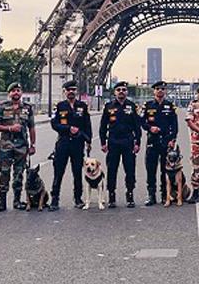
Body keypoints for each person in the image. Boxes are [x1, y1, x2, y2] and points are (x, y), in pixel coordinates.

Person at [0, 83, 36, 211]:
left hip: (21, 146)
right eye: (13, 91)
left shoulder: (27, 108)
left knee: (19, 174)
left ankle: (17, 201)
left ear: (21, 93)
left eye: (18, 90)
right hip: (6, 145)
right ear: (9, 93)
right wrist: (10, 128)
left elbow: (32, 127)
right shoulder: (2, 107)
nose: (16, 93)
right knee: (4, 173)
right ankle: (2, 203)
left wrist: (33, 145)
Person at [50, 80, 92, 211]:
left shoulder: (82, 106)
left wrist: (88, 140)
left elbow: (87, 124)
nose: (71, 92)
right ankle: (55, 198)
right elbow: (54, 124)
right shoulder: (59, 106)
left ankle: (78, 198)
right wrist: (68, 128)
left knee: (77, 172)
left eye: (73, 89)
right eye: (68, 90)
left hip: (77, 144)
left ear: (76, 91)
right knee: (58, 172)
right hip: (63, 142)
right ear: (65, 92)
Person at [99, 81, 141, 208]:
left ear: (127, 92)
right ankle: (112, 196)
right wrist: (103, 142)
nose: (121, 91)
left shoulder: (132, 106)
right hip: (113, 142)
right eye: (119, 90)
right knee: (112, 170)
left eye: (123, 89)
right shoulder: (108, 106)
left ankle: (130, 195)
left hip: (128, 141)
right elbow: (103, 126)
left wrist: (137, 142)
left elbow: (137, 126)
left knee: (130, 170)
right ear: (115, 92)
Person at [140, 81, 178, 206]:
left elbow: (174, 125)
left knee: (165, 170)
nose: (160, 90)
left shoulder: (170, 106)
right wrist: (150, 128)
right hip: (152, 141)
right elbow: (141, 121)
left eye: (162, 88)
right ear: (154, 91)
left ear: (165, 91)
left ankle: (164, 194)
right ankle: (151, 195)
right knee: (150, 169)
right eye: (158, 88)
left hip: (166, 141)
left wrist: (173, 139)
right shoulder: (147, 105)